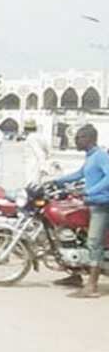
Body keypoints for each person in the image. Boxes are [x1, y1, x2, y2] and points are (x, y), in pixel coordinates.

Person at [53, 124, 109, 298]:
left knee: (93, 242)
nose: (75, 141)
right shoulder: (90, 157)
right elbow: (79, 174)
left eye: (79, 138)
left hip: (101, 204)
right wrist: (57, 181)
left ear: (89, 139)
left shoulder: (100, 156)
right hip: (90, 203)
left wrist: (89, 191)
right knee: (75, 236)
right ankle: (75, 274)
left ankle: (92, 286)